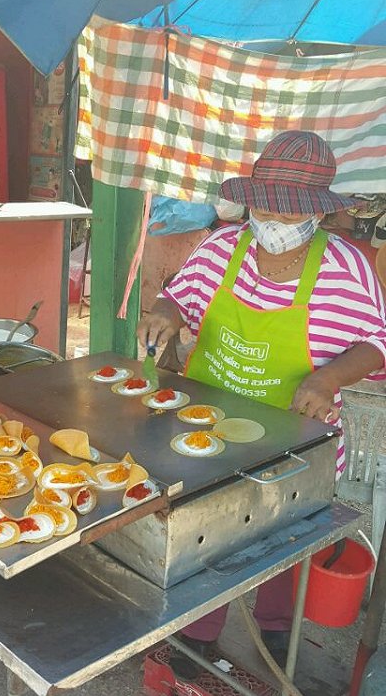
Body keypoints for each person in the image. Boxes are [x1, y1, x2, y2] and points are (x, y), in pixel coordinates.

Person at [138, 131, 386, 665]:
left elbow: (375, 343)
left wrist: (328, 379)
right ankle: (197, 633)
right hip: (205, 427)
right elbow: (178, 294)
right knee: (204, 534)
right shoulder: (223, 246)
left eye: (286, 209)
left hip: (294, 434)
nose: (271, 218)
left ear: (317, 214)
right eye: (264, 204)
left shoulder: (347, 269)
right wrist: (166, 313)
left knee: (285, 536)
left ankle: (274, 626)